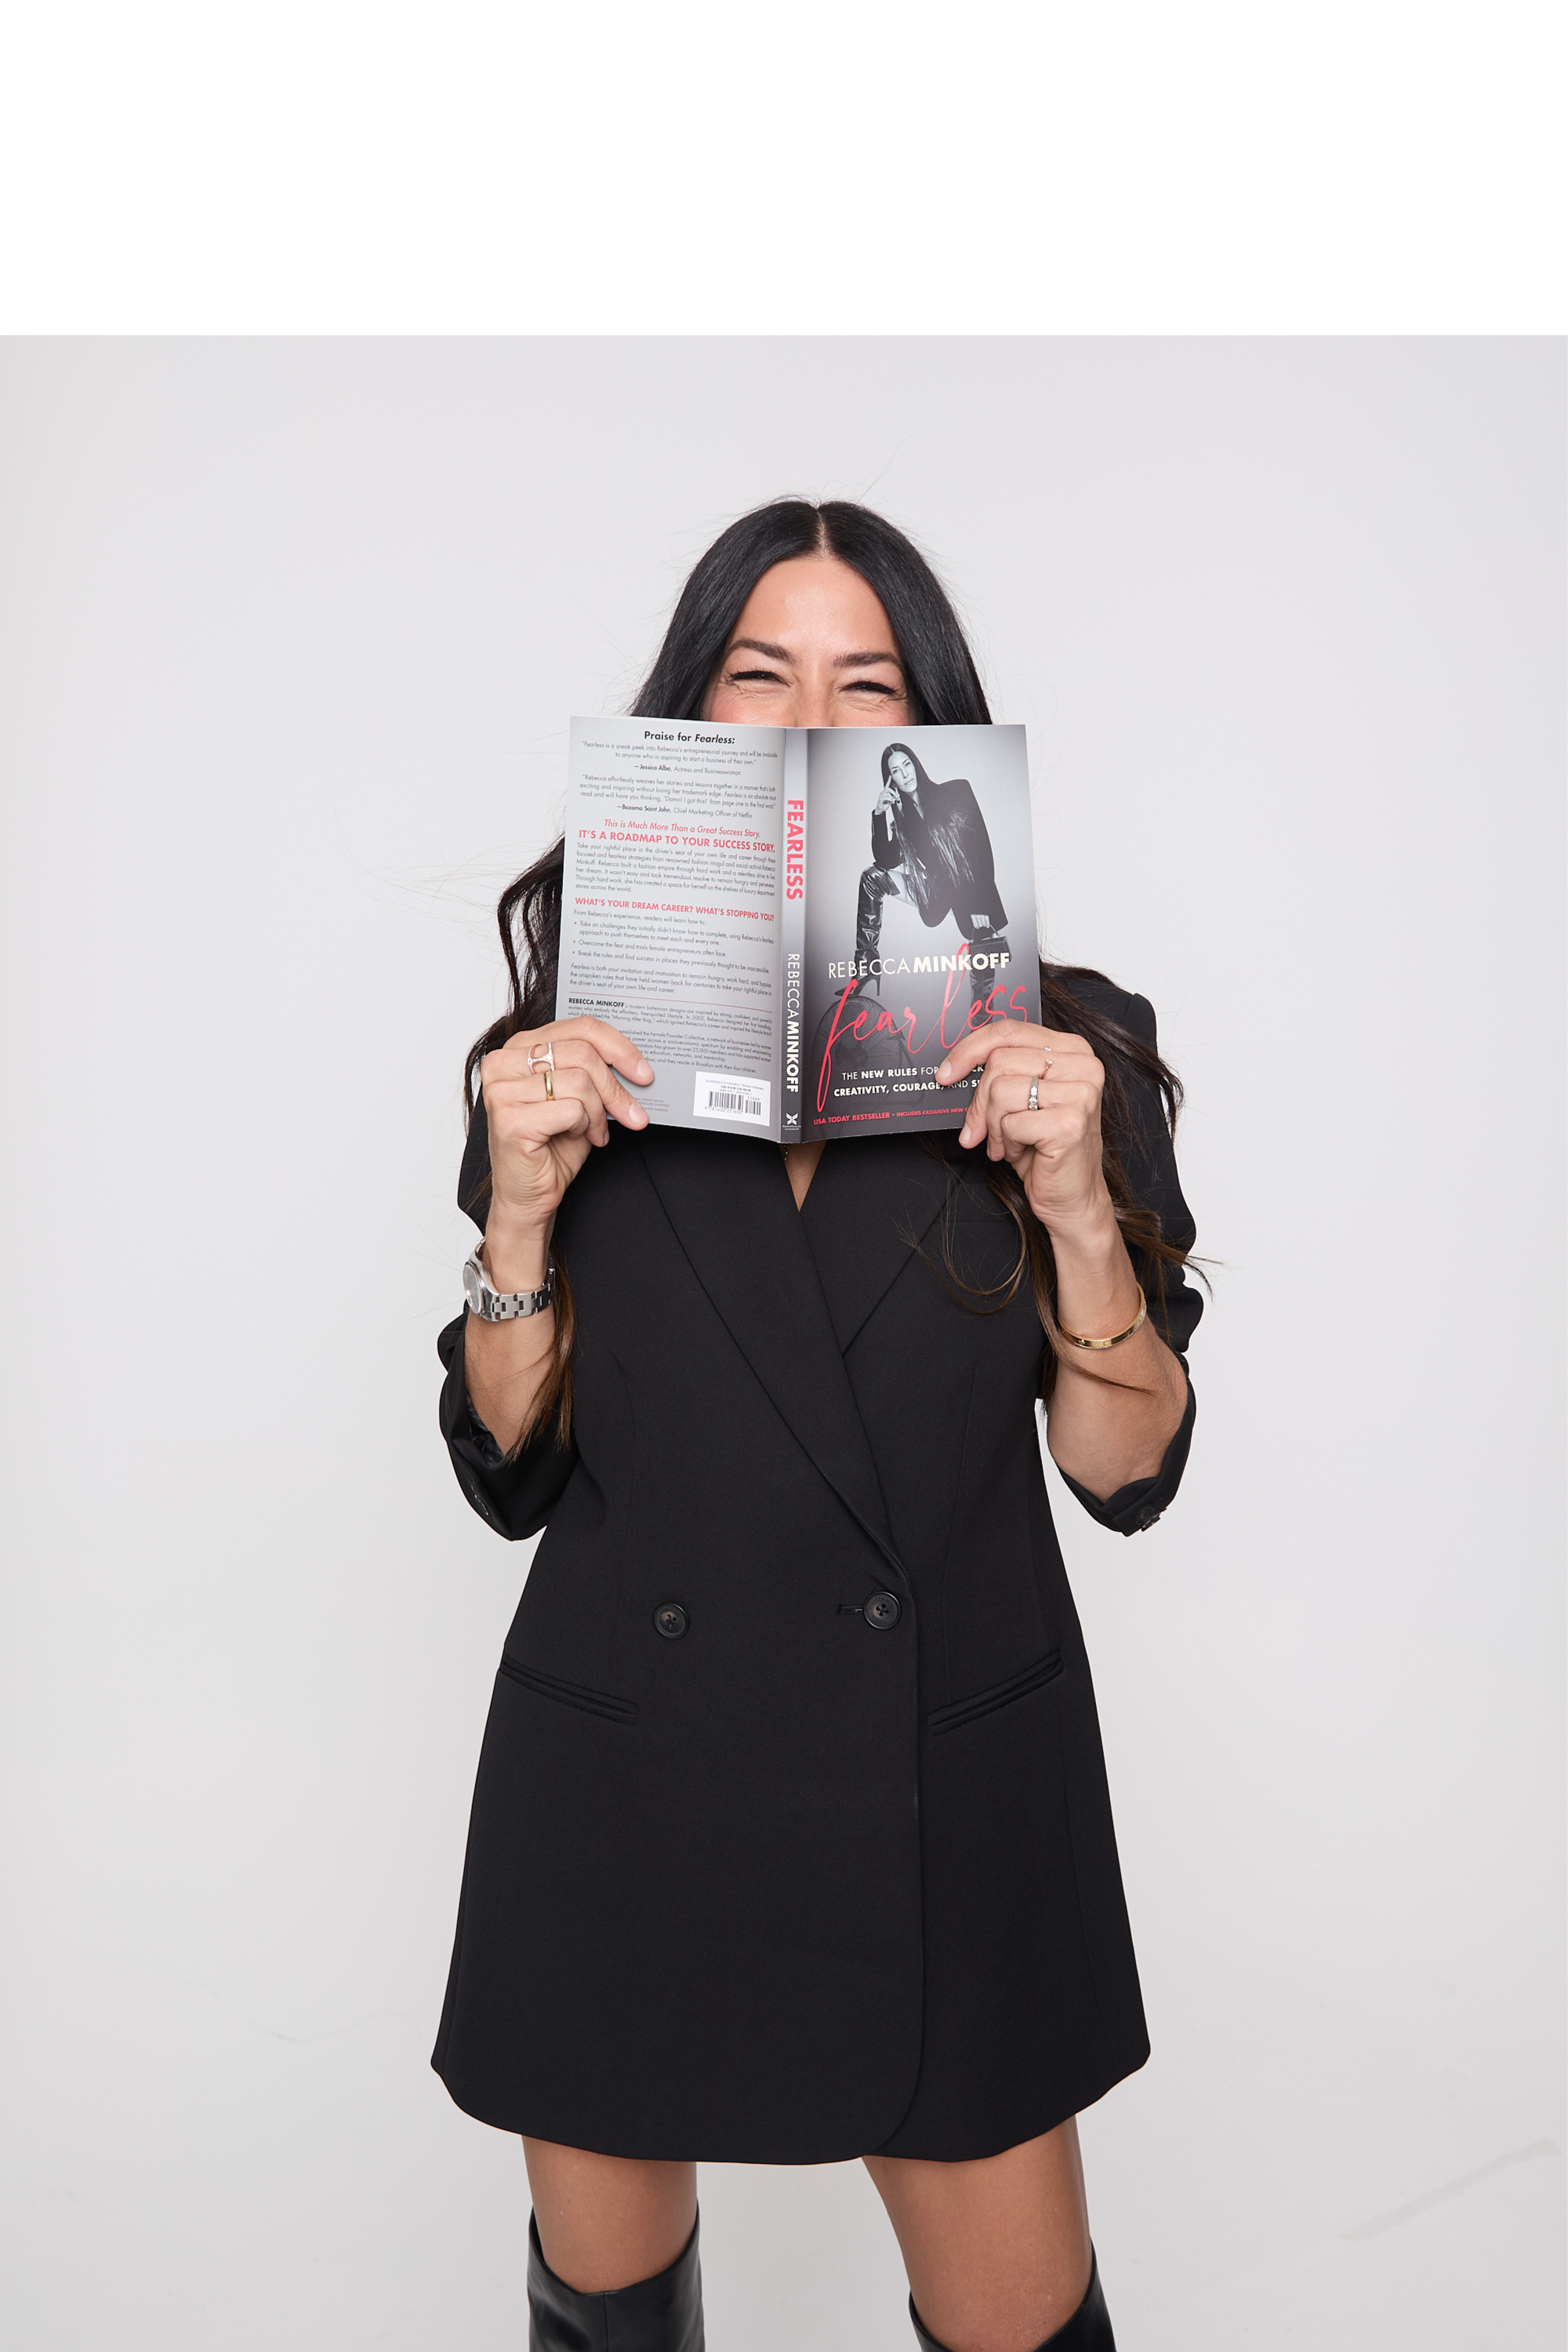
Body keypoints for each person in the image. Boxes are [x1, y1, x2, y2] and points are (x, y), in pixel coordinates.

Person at [434, 499, 1202, 2352]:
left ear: (924, 739)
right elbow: (507, 1462)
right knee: (604, 2316)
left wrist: (1080, 1201)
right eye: (755, 674)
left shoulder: (1056, 1050)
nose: (804, 719)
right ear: (691, 721)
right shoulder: (575, 1050)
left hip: (940, 1784)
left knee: (1021, 2317)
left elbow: (1123, 1466)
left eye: (859, 684)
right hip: (625, 1780)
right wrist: (520, 1210)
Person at [855, 739, 1012, 999]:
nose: (904, 774)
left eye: (907, 765)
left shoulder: (957, 791)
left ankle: (982, 1015)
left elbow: (981, 850)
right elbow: (885, 860)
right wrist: (880, 814)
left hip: (968, 891)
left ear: (916, 765)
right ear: (890, 779)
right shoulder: (904, 819)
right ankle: (866, 965)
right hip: (935, 894)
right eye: (896, 771)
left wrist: (980, 905)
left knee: (982, 940)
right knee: (871, 878)